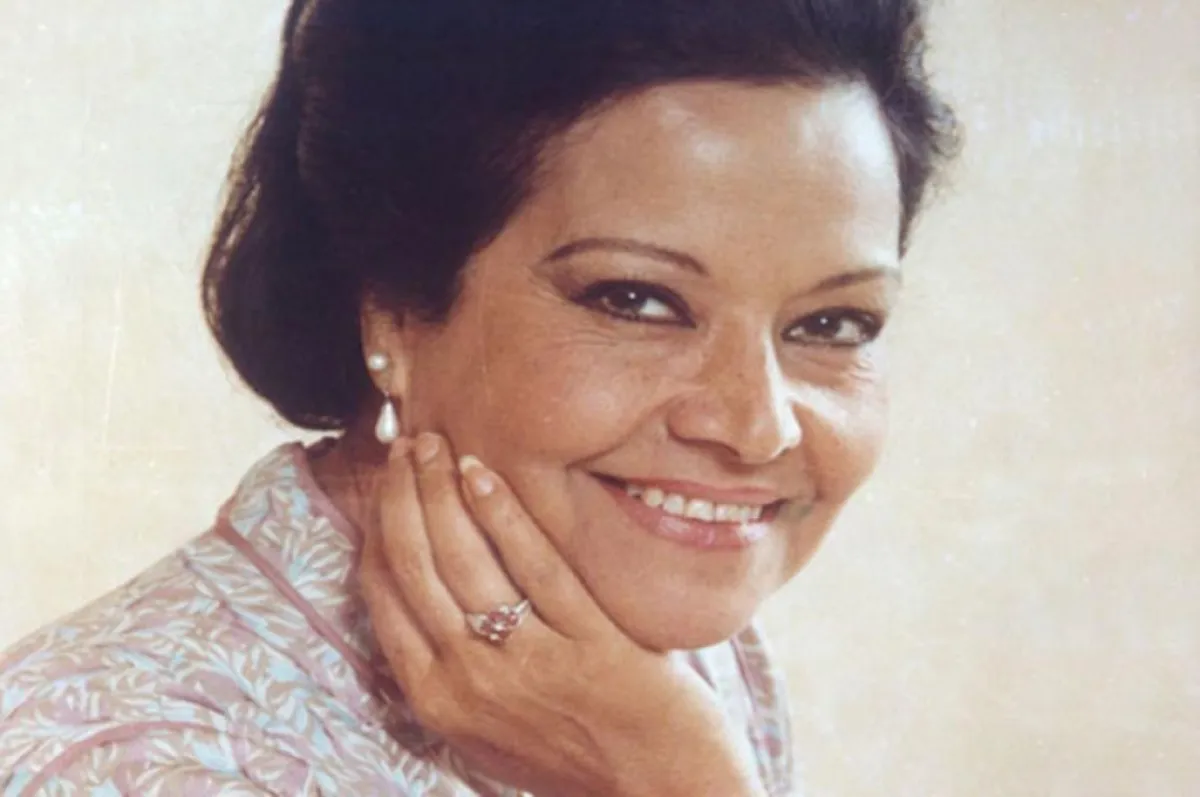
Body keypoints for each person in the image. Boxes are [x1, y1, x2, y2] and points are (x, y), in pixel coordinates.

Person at [0, 0, 959, 794]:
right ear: (393, 309)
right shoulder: (127, 763)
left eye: (833, 323)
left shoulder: (672, 659)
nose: (756, 427)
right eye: (637, 301)